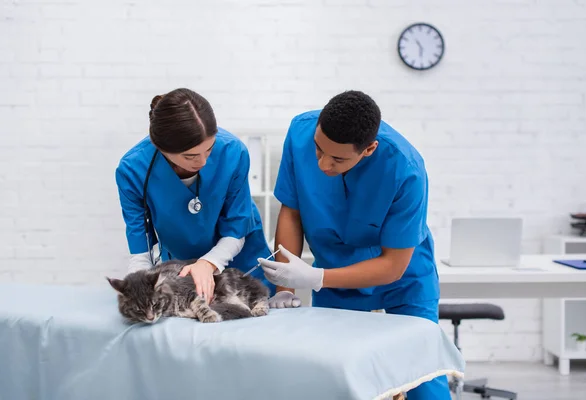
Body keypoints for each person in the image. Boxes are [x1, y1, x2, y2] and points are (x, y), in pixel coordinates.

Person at [258, 90, 450, 399]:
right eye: (319, 150)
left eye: (337, 159)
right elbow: (292, 213)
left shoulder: (406, 169)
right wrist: (285, 288)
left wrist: (316, 278)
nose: (323, 164)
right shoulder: (299, 134)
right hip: (337, 271)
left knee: (423, 379)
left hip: (404, 278)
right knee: (333, 377)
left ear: (369, 149)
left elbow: (393, 265)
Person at [115, 88, 274, 301]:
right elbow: (141, 248)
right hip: (184, 266)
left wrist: (209, 263)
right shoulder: (133, 169)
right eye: (190, 156)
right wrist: (139, 286)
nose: (203, 162)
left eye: (209, 149)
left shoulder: (232, 152)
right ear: (160, 148)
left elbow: (237, 226)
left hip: (241, 263)